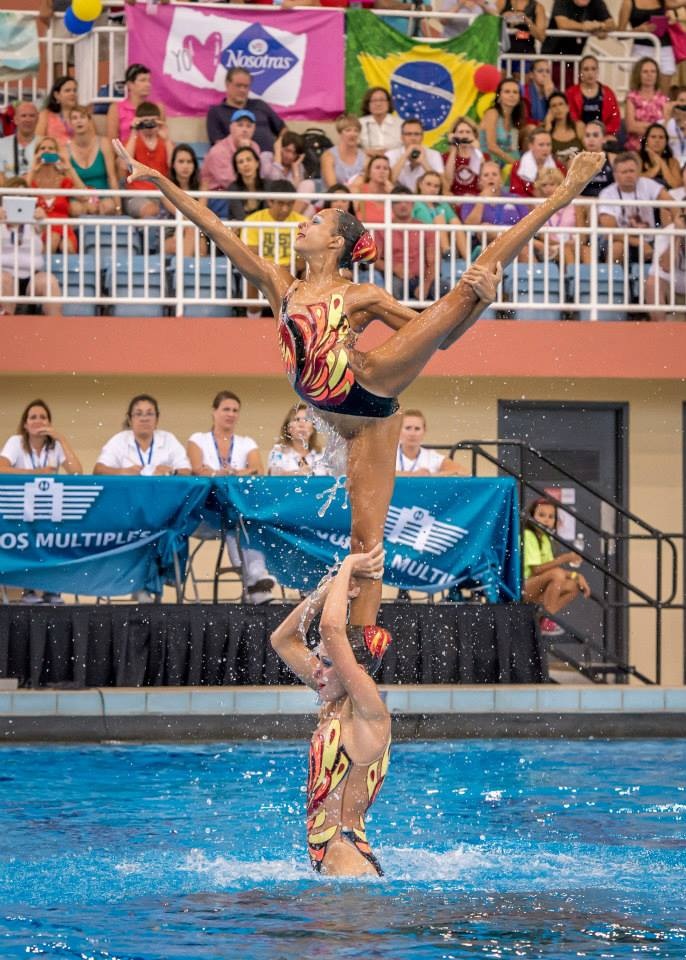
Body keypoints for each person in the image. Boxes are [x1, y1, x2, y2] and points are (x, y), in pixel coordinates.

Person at [113, 134, 606, 628]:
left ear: (335, 242)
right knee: (364, 545)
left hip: (368, 384)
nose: (302, 223)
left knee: (465, 290)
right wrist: (158, 181)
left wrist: (480, 304)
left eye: (315, 221)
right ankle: (361, 656)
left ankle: (564, 194)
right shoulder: (280, 286)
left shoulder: (361, 294)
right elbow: (216, 228)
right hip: (357, 426)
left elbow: (442, 338)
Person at [270, 542, 391, 877]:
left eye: (326, 662)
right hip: (332, 855)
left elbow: (330, 629)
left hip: (347, 858)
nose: (317, 671)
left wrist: (349, 565)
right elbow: (283, 640)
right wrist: (326, 590)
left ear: (352, 669)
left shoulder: (369, 710)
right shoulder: (335, 700)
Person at [187, 390, 276, 604]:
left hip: (236, 515)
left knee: (243, 520)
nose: (231, 414)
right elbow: (198, 469)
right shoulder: (198, 440)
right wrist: (233, 472)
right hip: (204, 514)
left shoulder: (247, 443)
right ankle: (254, 579)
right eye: (226, 409)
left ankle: (255, 581)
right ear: (214, 412)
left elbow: (257, 469)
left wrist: (226, 472)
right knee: (236, 519)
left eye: (235, 410)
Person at [0, 398, 81, 606]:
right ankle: (29, 589)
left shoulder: (54, 446)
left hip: (50, 510)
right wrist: (35, 473)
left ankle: (52, 588)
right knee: (28, 535)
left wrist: (62, 439)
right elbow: (2, 468)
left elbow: (77, 471)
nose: (38, 421)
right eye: (33, 417)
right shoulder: (15, 442)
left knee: (60, 535)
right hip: (20, 509)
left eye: (43, 417)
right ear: (25, 424)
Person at [522, 498, 590, 636]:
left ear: (555, 521)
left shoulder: (546, 539)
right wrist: (564, 558)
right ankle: (547, 618)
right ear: (532, 516)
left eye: (551, 517)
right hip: (522, 588)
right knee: (557, 574)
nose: (546, 520)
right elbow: (537, 570)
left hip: (536, 587)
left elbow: (549, 570)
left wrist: (576, 576)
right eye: (541, 515)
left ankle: (543, 618)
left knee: (574, 585)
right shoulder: (528, 535)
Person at [0, 180, 62, 316]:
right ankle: (6, 328)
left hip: (31, 277)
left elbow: (46, 229)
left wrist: (43, 219)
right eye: (14, 195)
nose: (19, 200)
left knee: (49, 281)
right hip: (4, 274)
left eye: (23, 196)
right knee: (4, 279)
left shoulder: (34, 220)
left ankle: (57, 329)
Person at [598, 150, 671, 262]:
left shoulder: (648, 184)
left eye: (632, 171)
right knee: (617, 247)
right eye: (624, 172)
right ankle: (612, 278)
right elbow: (610, 232)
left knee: (669, 245)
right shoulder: (607, 194)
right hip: (621, 240)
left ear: (638, 172)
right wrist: (639, 242)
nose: (629, 175)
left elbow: (672, 203)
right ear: (615, 175)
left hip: (650, 238)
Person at [94, 394, 191, 476]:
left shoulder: (168, 439)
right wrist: (122, 471)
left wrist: (171, 472)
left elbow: (187, 471)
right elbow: (98, 470)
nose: (144, 419)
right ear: (129, 419)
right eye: (138, 414)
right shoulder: (119, 440)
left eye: (149, 414)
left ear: (157, 419)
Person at [373, 184, 437, 299]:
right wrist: (394, 267)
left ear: (413, 204)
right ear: (391, 205)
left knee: (443, 289)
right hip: (396, 278)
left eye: (406, 201)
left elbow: (433, 262)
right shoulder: (382, 229)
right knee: (392, 288)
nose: (403, 204)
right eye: (398, 201)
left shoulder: (425, 228)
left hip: (423, 278)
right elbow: (374, 260)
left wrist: (426, 285)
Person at [28, 137, 85, 253]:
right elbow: (21, 194)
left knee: (66, 246)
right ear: (36, 154)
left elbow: (85, 196)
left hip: (63, 228)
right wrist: (33, 167)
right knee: (53, 238)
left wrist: (69, 167)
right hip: (40, 229)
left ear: (57, 153)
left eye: (51, 148)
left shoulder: (64, 180)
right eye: (42, 148)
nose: (46, 151)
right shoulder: (30, 179)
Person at [206, 67, 284, 151]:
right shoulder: (216, 113)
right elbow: (218, 145)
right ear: (227, 84)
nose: (242, 90)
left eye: (246, 86)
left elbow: (283, 129)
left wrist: (279, 147)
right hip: (240, 161)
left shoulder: (260, 105)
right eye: (238, 86)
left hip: (272, 159)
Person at [541, 0, 616, 87]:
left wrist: (599, 26)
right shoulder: (562, 2)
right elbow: (562, 23)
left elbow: (612, 24)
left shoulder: (596, 3)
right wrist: (584, 26)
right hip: (553, 57)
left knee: (573, 92)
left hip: (575, 60)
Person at [123, 102, 173, 219]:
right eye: (145, 121)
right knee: (151, 211)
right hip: (136, 194)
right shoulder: (132, 141)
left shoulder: (164, 142)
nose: (149, 125)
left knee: (177, 210)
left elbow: (173, 167)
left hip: (162, 194)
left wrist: (167, 139)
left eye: (153, 121)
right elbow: (125, 165)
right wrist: (134, 131)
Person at [202, 109, 272, 193]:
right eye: (240, 125)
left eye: (249, 126)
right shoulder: (218, 151)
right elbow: (229, 182)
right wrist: (245, 151)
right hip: (218, 195)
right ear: (231, 127)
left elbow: (257, 175)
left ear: (254, 129)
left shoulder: (254, 146)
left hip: (247, 191)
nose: (245, 130)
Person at [67, 106, 120, 216]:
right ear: (70, 123)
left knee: (109, 206)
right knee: (76, 209)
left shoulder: (104, 143)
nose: (79, 121)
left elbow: (112, 177)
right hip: (79, 198)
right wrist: (87, 201)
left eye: (82, 117)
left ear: (89, 120)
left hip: (103, 195)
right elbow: (67, 183)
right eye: (74, 118)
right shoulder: (65, 150)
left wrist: (119, 208)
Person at [107, 63, 165, 159]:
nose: (148, 84)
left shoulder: (158, 108)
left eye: (149, 81)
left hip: (152, 156)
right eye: (142, 80)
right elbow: (112, 143)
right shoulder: (116, 108)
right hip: (126, 158)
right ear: (130, 85)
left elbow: (162, 138)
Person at [618, 0, 677, 92]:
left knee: (663, 95)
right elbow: (620, 35)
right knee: (637, 92)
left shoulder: (663, 1)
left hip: (664, 48)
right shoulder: (628, 2)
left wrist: (668, 19)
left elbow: (679, 3)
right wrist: (639, 30)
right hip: (641, 49)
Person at [412, 169, 468, 265]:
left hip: (439, 242)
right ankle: (448, 254)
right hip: (420, 239)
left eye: (436, 186)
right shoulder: (414, 203)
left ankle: (468, 259)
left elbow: (456, 223)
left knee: (454, 223)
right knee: (440, 220)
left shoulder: (443, 205)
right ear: (420, 185)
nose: (432, 189)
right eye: (428, 184)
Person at [162, 144, 208, 257]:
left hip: (197, 230)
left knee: (199, 242)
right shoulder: (165, 186)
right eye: (181, 161)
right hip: (171, 234)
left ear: (194, 165)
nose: (185, 166)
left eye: (189, 162)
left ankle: (183, 272)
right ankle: (182, 273)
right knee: (191, 230)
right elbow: (180, 214)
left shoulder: (203, 186)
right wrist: (180, 231)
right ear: (173, 165)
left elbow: (200, 213)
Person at [645, 206, 686, 319]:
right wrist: (677, 236)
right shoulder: (667, 232)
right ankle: (660, 330)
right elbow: (666, 266)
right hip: (673, 293)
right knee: (652, 284)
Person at [565, 55, 621, 139]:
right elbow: (570, 118)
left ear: (597, 71)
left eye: (593, 69)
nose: (590, 73)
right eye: (586, 69)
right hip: (579, 135)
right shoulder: (571, 93)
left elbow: (614, 119)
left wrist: (605, 134)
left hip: (603, 136)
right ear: (580, 72)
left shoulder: (608, 92)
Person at [395, 409, 463, 474]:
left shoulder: (431, 456)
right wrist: (414, 475)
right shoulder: (389, 454)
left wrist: (431, 475)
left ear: (424, 431)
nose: (412, 433)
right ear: (398, 430)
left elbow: (462, 472)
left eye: (417, 429)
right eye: (408, 428)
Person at [531, 167, 577, 262]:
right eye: (544, 185)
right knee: (566, 250)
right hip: (549, 246)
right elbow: (541, 236)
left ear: (560, 185)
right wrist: (561, 244)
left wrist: (575, 242)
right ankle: (573, 277)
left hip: (574, 243)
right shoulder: (536, 206)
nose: (548, 188)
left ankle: (595, 276)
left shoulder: (574, 204)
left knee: (587, 250)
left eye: (552, 184)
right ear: (539, 187)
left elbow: (583, 233)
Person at [625, 57, 671, 152]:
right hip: (636, 147)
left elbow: (665, 128)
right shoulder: (632, 97)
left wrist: (642, 126)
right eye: (645, 72)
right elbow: (631, 126)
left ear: (657, 75)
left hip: (658, 148)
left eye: (653, 71)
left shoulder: (664, 99)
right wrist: (655, 127)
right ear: (639, 74)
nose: (649, 75)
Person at [268, 402, 327, 475]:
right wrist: (298, 474)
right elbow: (275, 477)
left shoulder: (324, 454)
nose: (302, 424)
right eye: (297, 420)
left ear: (313, 428)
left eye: (306, 420)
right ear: (288, 428)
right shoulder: (278, 453)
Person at [479, 77, 525, 170]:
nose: (512, 95)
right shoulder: (492, 113)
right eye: (507, 92)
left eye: (515, 92)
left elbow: (513, 148)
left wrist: (519, 164)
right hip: (489, 163)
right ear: (499, 96)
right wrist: (516, 164)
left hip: (507, 164)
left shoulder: (514, 118)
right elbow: (491, 147)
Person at [386, 118, 444, 191]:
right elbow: (388, 182)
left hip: (424, 200)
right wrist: (404, 156)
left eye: (416, 134)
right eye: (408, 134)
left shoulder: (434, 154)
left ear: (422, 137)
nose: (413, 138)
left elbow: (442, 186)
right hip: (399, 199)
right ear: (401, 137)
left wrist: (424, 162)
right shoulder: (390, 154)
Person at [510, 129, 565, 197]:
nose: (545, 148)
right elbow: (516, 194)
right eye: (541, 145)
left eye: (548, 145)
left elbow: (565, 191)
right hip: (526, 205)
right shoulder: (518, 167)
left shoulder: (558, 166)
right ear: (530, 146)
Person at [442, 116, 484, 198]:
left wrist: (478, 150)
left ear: (474, 135)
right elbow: (447, 183)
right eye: (461, 132)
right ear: (454, 135)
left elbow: (483, 183)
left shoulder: (483, 156)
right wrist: (454, 148)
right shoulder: (446, 157)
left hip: (477, 200)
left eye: (468, 132)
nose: (465, 135)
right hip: (454, 200)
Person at [320, 115, 367, 189]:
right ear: (340, 133)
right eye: (348, 130)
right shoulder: (328, 156)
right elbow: (332, 187)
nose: (353, 134)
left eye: (356, 130)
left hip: (358, 198)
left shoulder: (365, 158)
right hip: (333, 197)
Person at [0, 101, 39, 184]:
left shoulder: (45, 144)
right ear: (15, 120)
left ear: (37, 119)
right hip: (7, 194)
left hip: (37, 193)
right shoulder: (1, 145)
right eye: (23, 116)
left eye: (32, 116)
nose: (28, 119)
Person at [358, 87, 403, 157]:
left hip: (396, 162)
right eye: (374, 101)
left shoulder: (401, 124)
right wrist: (365, 152)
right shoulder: (359, 123)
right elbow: (349, 148)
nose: (378, 104)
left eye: (382, 100)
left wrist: (391, 153)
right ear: (368, 104)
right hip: (367, 162)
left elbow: (408, 146)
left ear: (388, 103)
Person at [544, 91, 585, 167]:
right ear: (549, 110)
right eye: (554, 106)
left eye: (561, 104)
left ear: (567, 107)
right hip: (557, 173)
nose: (558, 108)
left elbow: (588, 151)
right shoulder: (546, 130)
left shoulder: (578, 126)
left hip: (579, 171)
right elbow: (542, 154)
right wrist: (547, 125)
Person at [228, 146, 269, 222]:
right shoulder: (233, 188)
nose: (245, 164)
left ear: (257, 163)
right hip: (242, 229)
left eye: (249, 160)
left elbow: (267, 215)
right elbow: (240, 216)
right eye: (241, 162)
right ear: (237, 169)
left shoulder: (268, 185)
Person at [349, 155, 394, 222]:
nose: (382, 171)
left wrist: (393, 192)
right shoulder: (357, 191)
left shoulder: (393, 192)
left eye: (385, 168)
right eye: (377, 167)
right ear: (369, 172)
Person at [36, 76, 78, 147]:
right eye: (67, 90)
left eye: (75, 90)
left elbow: (91, 140)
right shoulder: (45, 115)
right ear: (56, 95)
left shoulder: (83, 115)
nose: (72, 93)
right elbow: (38, 142)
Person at [638, 122, 683, 187]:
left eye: (661, 137)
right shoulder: (637, 159)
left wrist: (662, 163)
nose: (657, 140)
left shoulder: (673, 162)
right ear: (646, 141)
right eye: (653, 137)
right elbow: (634, 181)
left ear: (666, 142)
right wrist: (656, 168)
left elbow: (677, 186)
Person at [521, 60, 556, 125]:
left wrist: (550, 97)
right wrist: (541, 124)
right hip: (531, 128)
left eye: (547, 71)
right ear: (531, 75)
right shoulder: (523, 91)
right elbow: (524, 119)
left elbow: (559, 118)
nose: (544, 74)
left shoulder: (555, 91)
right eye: (540, 71)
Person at [666, 86, 686, 168]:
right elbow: (645, 141)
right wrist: (667, 116)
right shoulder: (664, 124)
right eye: (681, 100)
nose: (685, 104)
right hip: (670, 167)